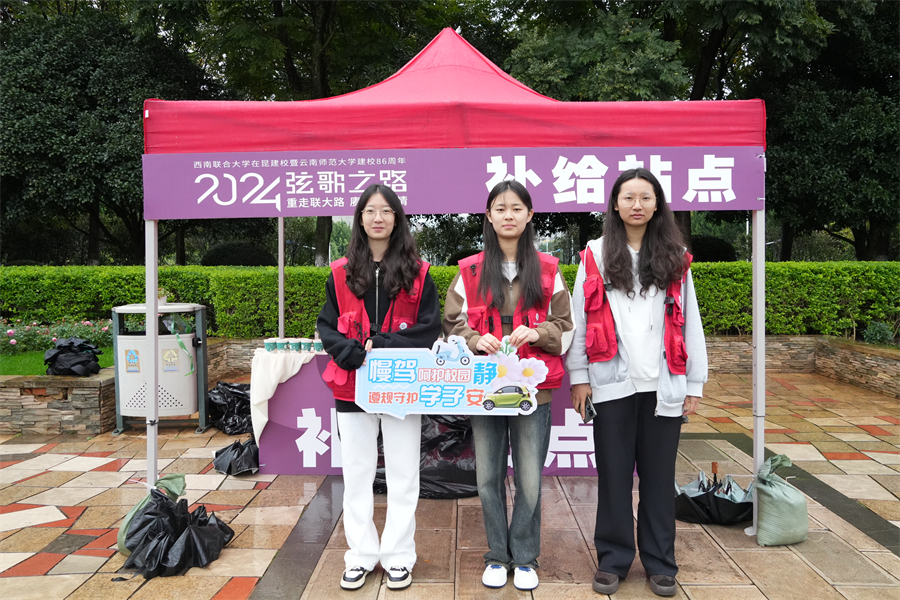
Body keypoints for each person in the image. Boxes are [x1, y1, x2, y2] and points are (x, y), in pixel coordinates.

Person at [566, 168, 708, 598]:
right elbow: (579, 318)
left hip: (663, 385)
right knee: (613, 477)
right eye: (628, 197)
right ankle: (613, 561)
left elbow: (691, 320)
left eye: (645, 197)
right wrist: (579, 378)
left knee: (659, 479)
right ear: (615, 204)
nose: (637, 205)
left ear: (657, 204)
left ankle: (661, 563)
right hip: (612, 384)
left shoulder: (675, 256)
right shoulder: (594, 254)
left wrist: (694, 383)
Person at [443, 179, 574, 591]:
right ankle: (498, 555)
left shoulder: (549, 270)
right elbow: (450, 324)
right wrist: (472, 339)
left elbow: (567, 327)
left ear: (530, 215)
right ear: (488, 216)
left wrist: (537, 333)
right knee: (487, 478)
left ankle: (525, 556)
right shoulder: (470, 270)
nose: (508, 215)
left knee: (530, 479)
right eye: (500, 209)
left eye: (516, 208)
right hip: (485, 389)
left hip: (533, 392)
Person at [317, 184, 441, 591]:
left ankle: (399, 555)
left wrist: (385, 344)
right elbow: (326, 325)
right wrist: (347, 350)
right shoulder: (340, 272)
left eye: (386, 211)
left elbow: (429, 330)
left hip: (401, 385)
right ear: (360, 218)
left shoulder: (419, 273)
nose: (378, 218)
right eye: (370, 211)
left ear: (397, 219)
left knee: (404, 473)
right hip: (352, 386)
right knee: (356, 474)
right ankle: (361, 555)